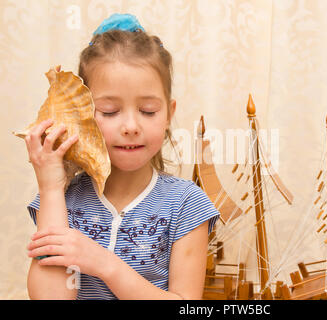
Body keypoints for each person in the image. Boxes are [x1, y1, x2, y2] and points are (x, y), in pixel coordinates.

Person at [25, 13, 220, 300]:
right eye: (110, 112)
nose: (131, 127)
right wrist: (51, 187)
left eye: (148, 111)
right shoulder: (61, 199)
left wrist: (105, 265)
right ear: (84, 115)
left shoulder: (186, 205)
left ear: (169, 113)